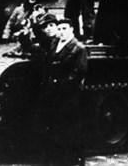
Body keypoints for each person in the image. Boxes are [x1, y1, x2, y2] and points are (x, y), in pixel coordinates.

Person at [34, 19, 87, 165]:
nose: (61, 31)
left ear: (72, 30)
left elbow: (78, 72)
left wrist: (60, 85)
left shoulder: (78, 48)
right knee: (52, 129)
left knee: (68, 130)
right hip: (52, 93)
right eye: (59, 28)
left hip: (67, 95)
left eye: (64, 28)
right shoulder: (54, 44)